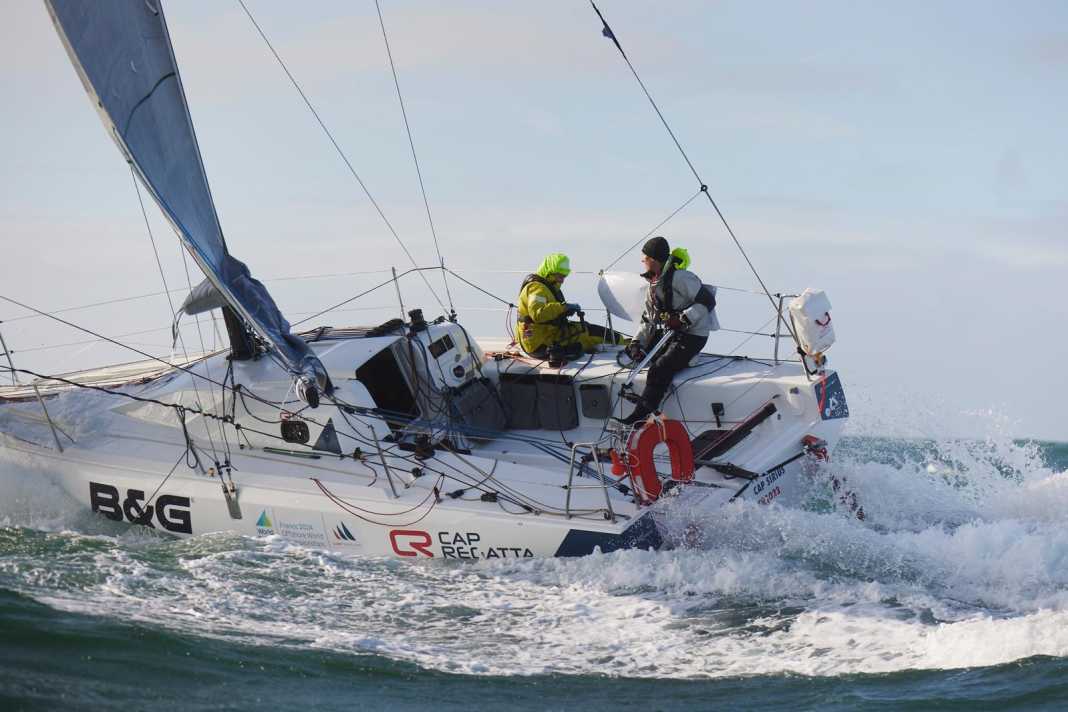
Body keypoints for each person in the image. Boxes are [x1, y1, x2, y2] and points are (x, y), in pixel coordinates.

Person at [616, 236, 716, 425]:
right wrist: (637, 342)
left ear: (653, 259)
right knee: (647, 358)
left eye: (644, 257)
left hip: (694, 334)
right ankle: (649, 403)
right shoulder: (652, 285)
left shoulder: (681, 278)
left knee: (659, 368)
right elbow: (648, 319)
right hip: (672, 334)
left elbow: (708, 300)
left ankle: (640, 415)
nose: (642, 261)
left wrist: (683, 319)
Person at [515, 253, 619, 359]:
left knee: (587, 328)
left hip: (544, 336)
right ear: (549, 272)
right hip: (540, 343)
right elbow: (538, 314)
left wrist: (564, 311)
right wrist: (563, 307)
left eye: (564, 276)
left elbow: (548, 312)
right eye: (559, 275)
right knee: (591, 333)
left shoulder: (546, 287)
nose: (562, 280)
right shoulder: (537, 288)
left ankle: (622, 341)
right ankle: (624, 345)